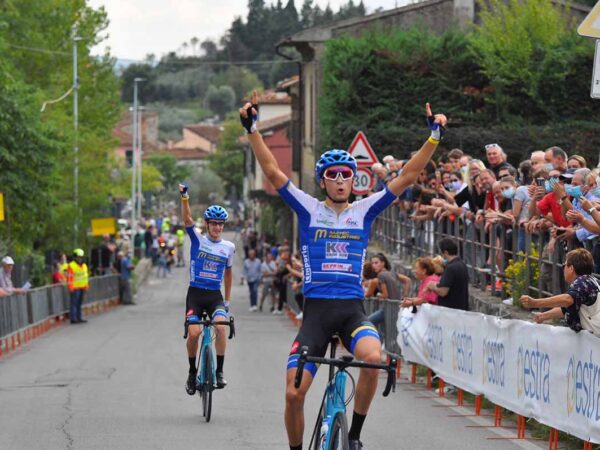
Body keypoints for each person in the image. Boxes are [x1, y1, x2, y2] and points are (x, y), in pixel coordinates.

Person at [241, 91, 447, 450]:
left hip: (352, 311)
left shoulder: (364, 210)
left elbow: (409, 175)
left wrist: (434, 137)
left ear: (354, 181)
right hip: (316, 315)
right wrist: (253, 130)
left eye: (346, 175)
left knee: (373, 358)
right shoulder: (308, 208)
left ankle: (353, 436)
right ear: (323, 181)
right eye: (332, 175)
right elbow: (273, 171)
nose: (339, 180)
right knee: (293, 394)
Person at [179, 183, 235, 395]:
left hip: (214, 296)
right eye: (214, 224)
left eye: (221, 224)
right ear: (207, 224)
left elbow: (228, 274)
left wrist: (227, 301)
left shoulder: (228, 248)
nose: (217, 228)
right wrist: (184, 197)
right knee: (194, 333)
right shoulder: (197, 240)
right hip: (195, 293)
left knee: (221, 327)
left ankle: (219, 371)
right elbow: (187, 220)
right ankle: (192, 372)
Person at [521, 248, 600, 334]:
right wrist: (543, 316)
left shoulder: (583, 281)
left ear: (571, 268)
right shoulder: (590, 281)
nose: (563, 269)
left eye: (564, 265)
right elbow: (565, 308)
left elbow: (567, 300)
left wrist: (535, 303)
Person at [426, 238, 469, 311]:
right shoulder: (462, 264)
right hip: (461, 308)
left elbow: (443, 292)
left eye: (441, 252)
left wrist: (432, 287)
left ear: (445, 252)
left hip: (450, 310)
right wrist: (437, 284)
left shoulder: (450, 268)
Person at [66, 249, 89, 324]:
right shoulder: (71, 265)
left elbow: (85, 276)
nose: (80, 259)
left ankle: (79, 317)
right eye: (78, 257)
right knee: (74, 303)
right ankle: (73, 318)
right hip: (75, 288)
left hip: (82, 287)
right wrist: (70, 287)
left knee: (79, 303)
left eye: (81, 257)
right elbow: (69, 277)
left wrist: (86, 285)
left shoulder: (84, 265)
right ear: (75, 257)